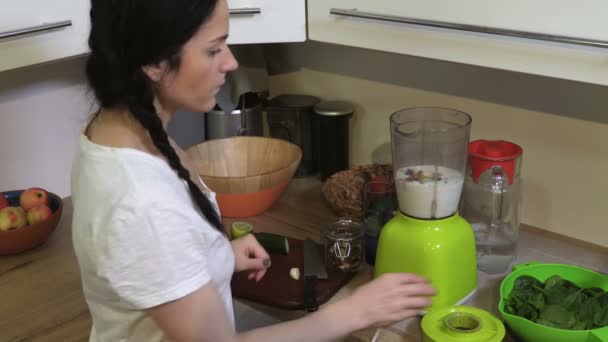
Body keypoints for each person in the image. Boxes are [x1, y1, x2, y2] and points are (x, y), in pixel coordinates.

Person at [70, 0, 436, 341]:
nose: (229, 63)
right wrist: (356, 312)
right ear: (153, 63)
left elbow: (153, 261)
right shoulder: (143, 203)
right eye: (213, 49)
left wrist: (218, 258)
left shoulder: (115, 130)